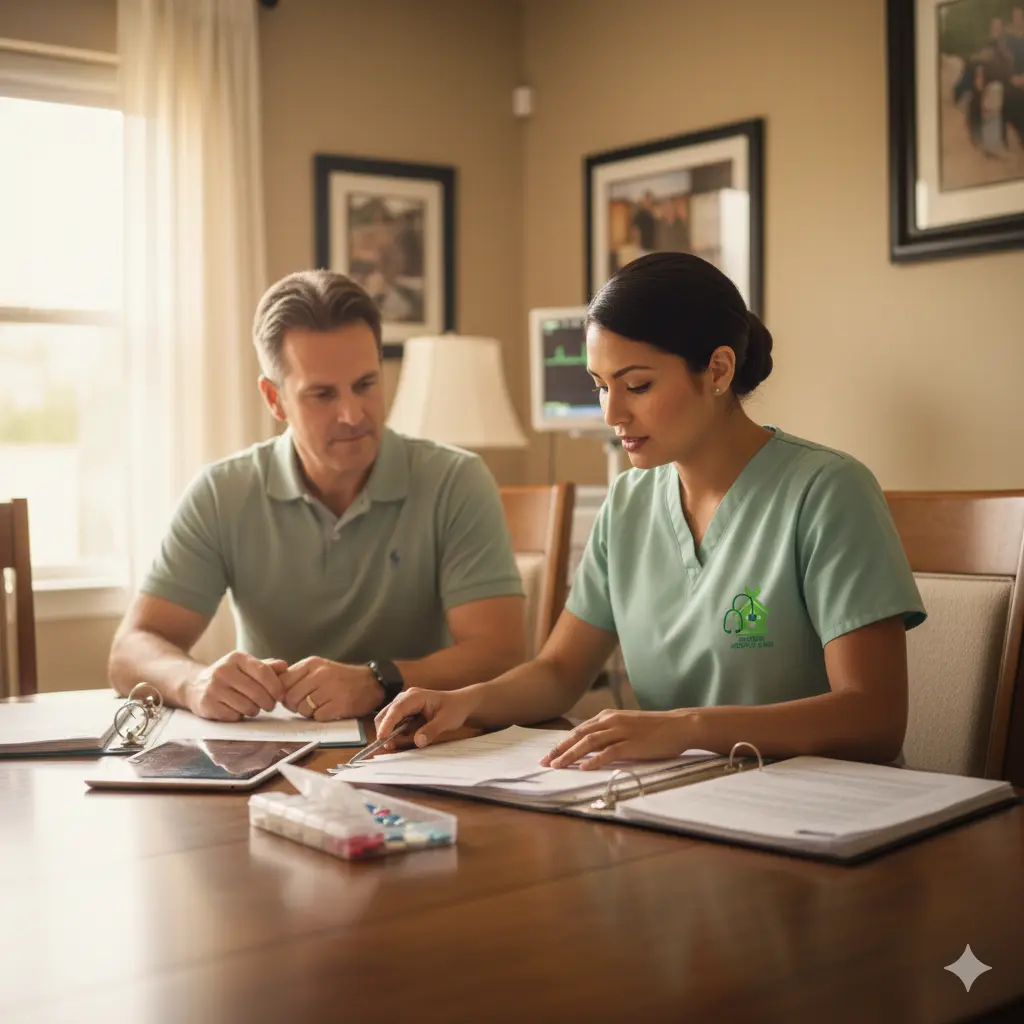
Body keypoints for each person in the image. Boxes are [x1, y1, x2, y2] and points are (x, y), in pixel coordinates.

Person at [377, 252, 926, 769]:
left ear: (717, 370)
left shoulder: (829, 492)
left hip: (821, 813)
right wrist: (464, 702)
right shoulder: (628, 504)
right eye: (600, 386)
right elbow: (560, 672)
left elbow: (874, 717)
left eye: (636, 384)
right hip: (675, 805)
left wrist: (687, 729)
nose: (612, 412)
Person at [109, 270, 526, 722]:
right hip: (267, 757)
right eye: (322, 395)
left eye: (366, 385)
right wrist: (192, 682)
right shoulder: (222, 493)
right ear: (274, 399)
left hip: (413, 747)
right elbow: (130, 650)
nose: (352, 414)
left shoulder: (455, 481)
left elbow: (499, 654)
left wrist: (377, 681)